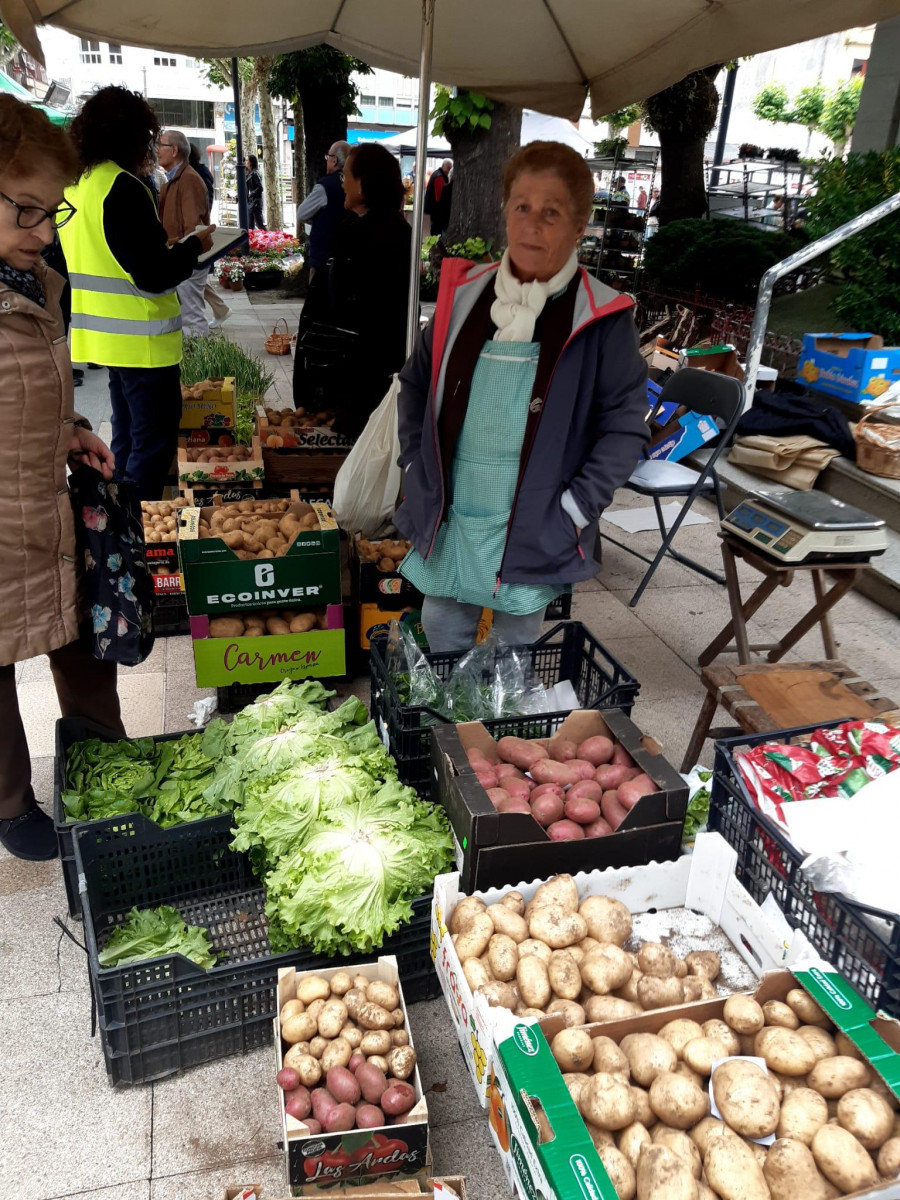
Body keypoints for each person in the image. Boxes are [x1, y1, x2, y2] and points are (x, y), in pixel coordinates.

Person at [396, 141, 649, 653]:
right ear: (505, 212)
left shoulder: (601, 318)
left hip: (538, 520)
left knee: (512, 656)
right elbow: (416, 383)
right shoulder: (464, 297)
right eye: (522, 207)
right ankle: (445, 733)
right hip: (453, 513)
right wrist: (412, 465)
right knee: (441, 631)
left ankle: (500, 735)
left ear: (580, 226)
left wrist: (577, 509)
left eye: (551, 212)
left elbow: (625, 428)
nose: (532, 224)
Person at [0, 95, 125, 860]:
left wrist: (69, 430)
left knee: (83, 646)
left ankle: (111, 779)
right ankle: (12, 804)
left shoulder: (39, 285)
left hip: (50, 514)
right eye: (27, 213)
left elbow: (30, 394)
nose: (45, 234)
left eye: (53, 213)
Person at [59, 86, 213, 501]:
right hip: (144, 344)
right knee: (151, 444)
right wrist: (193, 248)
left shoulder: (76, 186)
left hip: (105, 340)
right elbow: (152, 273)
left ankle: (117, 521)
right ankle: (136, 531)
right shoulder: (123, 187)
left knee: (126, 439)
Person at [327, 143, 412, 437]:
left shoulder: (363, 234)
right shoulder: (399, 230)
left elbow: (347, 302)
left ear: (363, 183)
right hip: (383, 360)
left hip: (365, 366)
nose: (342, 183)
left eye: (346, 176)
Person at [292, 139, 351, 406]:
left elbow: (302, 212)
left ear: (335, 161)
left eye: (328, 156)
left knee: (318, 313)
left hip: (325, 258)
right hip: (344, 262)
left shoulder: (326, 186)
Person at [158, 129, 213, 337]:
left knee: (192, 318)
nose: (156, 151)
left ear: (173, 150)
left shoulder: (188, 179)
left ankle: (201, 366)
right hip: (179, 255)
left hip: (188, 257)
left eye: (160, 145)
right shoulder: (172, 180)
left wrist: (170, 245)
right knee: (185, 316)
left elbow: (194, 228)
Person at [188, 144, 231, 330]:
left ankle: (219, 310)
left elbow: (199, 207)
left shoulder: (193, 177)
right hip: (197, 233)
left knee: (191, 277)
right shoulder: (198, 174)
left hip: (195, 234)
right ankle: (221, 309)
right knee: (194, 278)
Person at [424, 158, 453, 236]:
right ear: (443, 166)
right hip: (436, 209)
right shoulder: (439, 177)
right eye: (448, 168)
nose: (449, 170)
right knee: (436, 230)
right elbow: (439, 196)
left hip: (434, 208)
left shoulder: (438, 174)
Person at [245, 154, 265, 229]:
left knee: (259, 224)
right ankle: (251, 239)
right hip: (251, 202)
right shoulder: (248, 173)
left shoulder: (254, 173)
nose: (245, 162)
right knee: (250, 225)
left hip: (256, 202)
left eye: (247, 160)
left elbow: (260, 188)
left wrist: (251, 194)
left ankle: (267, 239)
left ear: (251, 162)